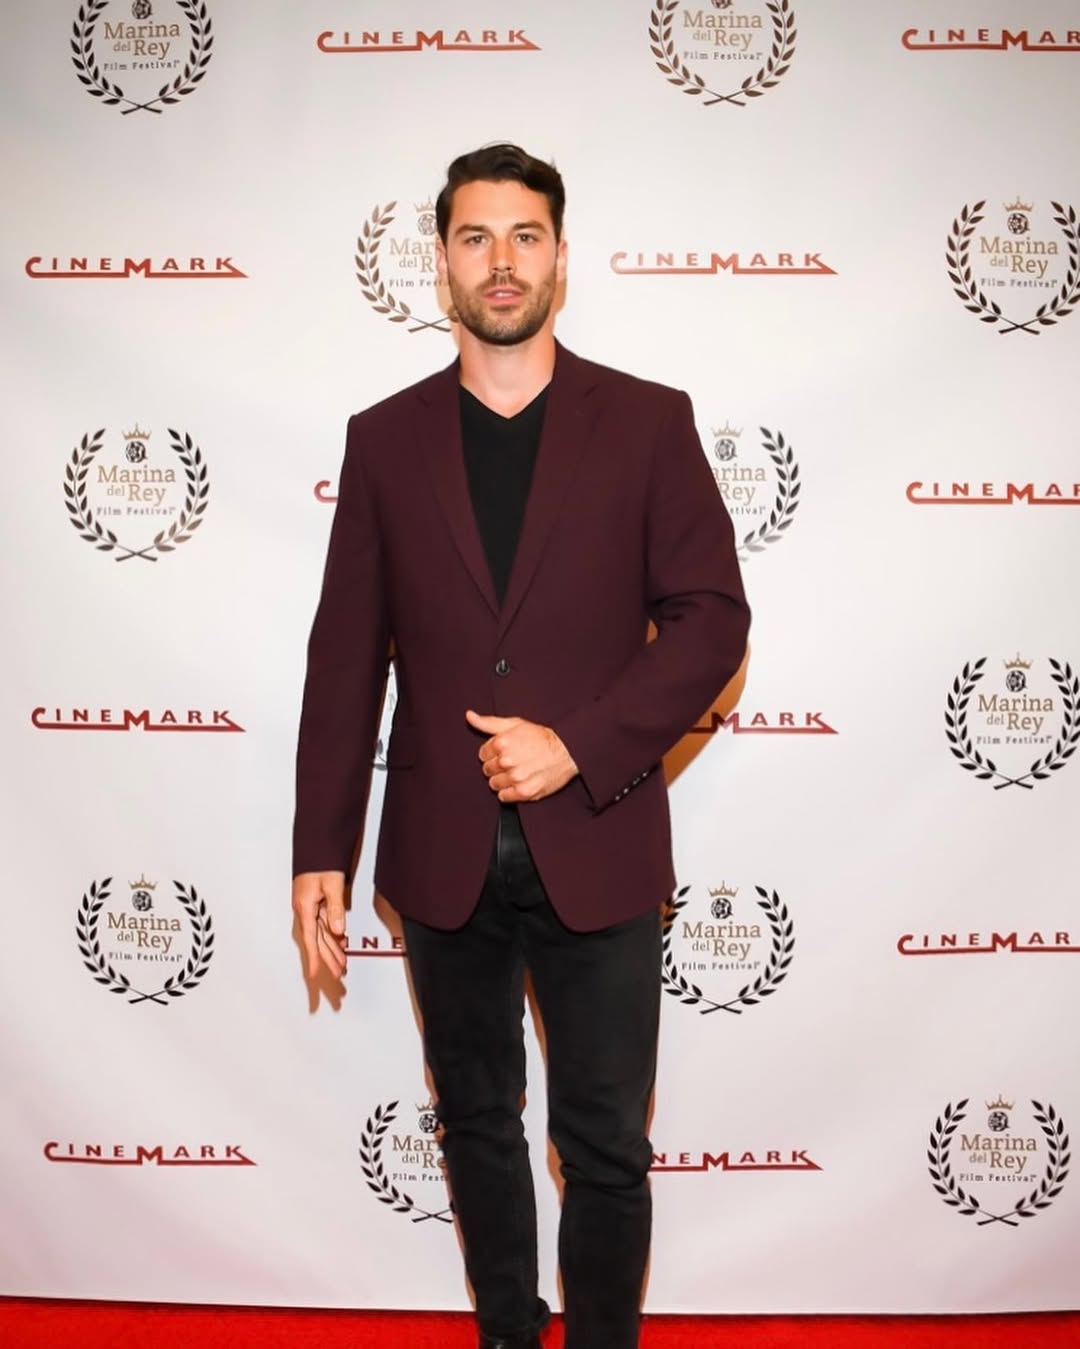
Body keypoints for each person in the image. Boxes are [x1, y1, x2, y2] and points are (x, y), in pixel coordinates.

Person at [292, 144, 750, 1349]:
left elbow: (713, 620)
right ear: (442, 262)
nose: (502, 260)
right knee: (477, 1122)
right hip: (439, 849)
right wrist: (320, 847)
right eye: (476, 236)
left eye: (526, 235)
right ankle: (506, 1330)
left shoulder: (647, 422)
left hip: (599, 835)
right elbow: (346, 655)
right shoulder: (384, 438)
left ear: (561, 256)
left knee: (604, 1143)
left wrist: (579, 745)